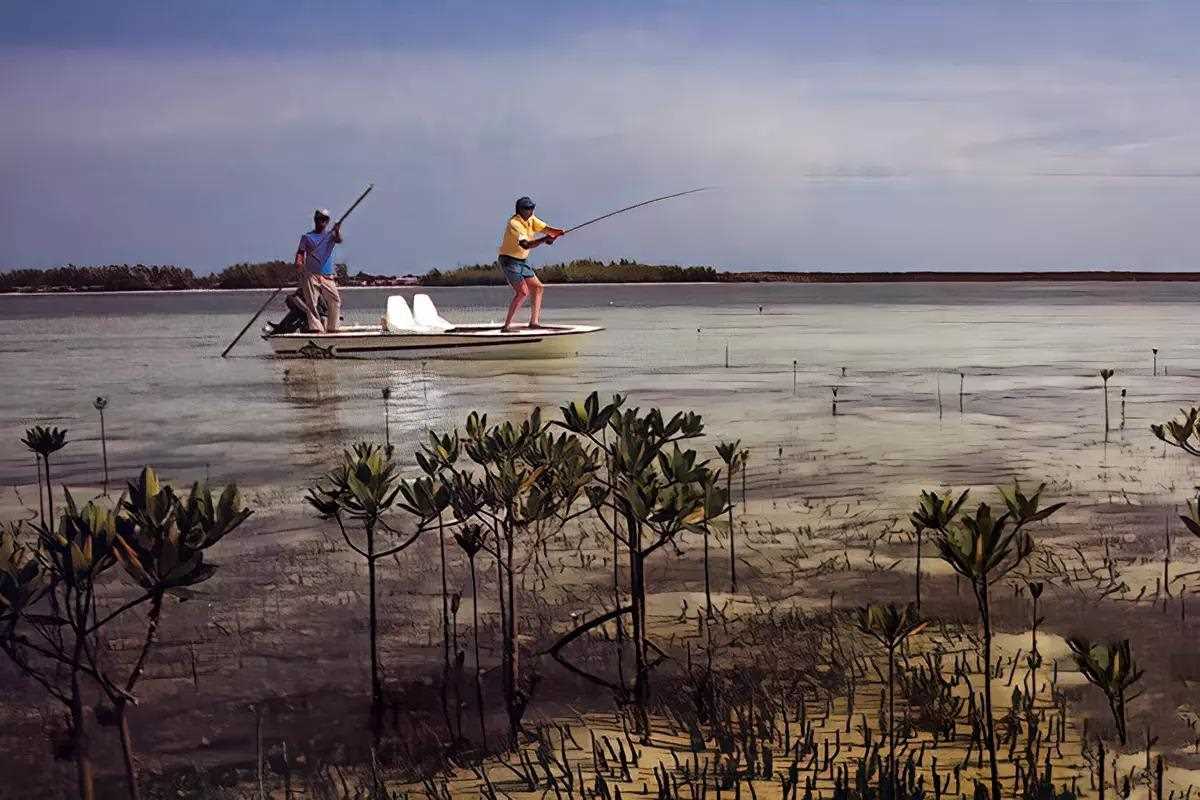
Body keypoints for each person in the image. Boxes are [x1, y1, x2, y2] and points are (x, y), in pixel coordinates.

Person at [497, 196, 564, 331]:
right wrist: (545, 239)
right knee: (522, 292)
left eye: (532, 208)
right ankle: (506, 326)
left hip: (522, 261)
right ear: (520, 210)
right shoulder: (514, 224)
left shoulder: (532, 219)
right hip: (509, 261)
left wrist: (557, 233)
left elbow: (547, 229)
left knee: (538, 287)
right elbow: (526, 245)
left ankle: (534, 322)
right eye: (527, 208)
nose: (531, 211)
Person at [295, 208, 343, 333]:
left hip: (327, 275)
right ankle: (316, 328)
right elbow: (300, 253)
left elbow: (339, 240)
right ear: (315, 220)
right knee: (312, 302)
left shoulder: (331, 235)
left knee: (335, 300)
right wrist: (299, 263)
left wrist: (337, 229)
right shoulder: (307, 237)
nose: (323, 221)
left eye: (325, 219)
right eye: (320, 219)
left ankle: (333, 328)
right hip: (311, 274)